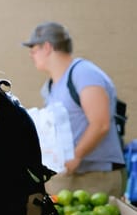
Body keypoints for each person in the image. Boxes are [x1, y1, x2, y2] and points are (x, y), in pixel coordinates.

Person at [24, 21, 125, 196]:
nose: (31, 55)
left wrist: (76, 156)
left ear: (47, 47)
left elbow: (100, 124)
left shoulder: (83, 73)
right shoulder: (50, 87)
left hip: (96, 176)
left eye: (33, 49)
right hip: (69, 177)